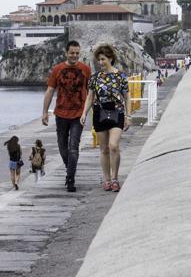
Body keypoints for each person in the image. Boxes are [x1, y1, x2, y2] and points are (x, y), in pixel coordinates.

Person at [42, 40, 91, 192]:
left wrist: (88, 111)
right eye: (72, 53)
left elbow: (91, 93)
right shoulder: (57, 70)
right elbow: (50, 91)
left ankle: (70, 178)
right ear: (66, 53)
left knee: (73, 148)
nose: (74, 56)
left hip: (78, 114)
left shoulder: (86, 69)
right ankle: (70, 168)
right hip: (61, 114)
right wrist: (45, 112)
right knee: (62, 147)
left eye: (77, 53)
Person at [81, 44, 131, 193]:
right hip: (100, 113)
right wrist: (84, 113)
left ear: (110, 58)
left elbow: (127, 97)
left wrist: (128, 116)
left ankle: (115, 178)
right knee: (103, 149)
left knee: (113, 146)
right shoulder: (95, 77)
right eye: (99, 60)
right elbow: (90, 97)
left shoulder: (120, 76)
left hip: (117, 113)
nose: (100, 62)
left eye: (103, 59)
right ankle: (106, 179)